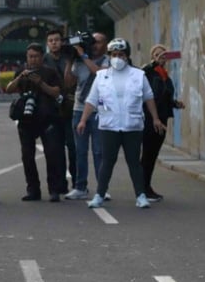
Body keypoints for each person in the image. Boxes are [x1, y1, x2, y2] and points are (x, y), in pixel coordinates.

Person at [77, 38, 165, 209]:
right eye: (114, 55)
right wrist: (83, 120)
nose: (117, 58)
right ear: (109, 56)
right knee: (107, 162)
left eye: (121, 54)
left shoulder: (138, 75)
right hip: (109, 125)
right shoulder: (102, 76)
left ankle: (140, 195)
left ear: (127, 56)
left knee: (134, 162)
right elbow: (91, 100)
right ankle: (99, 195)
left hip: (132, 125)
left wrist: (155, 118)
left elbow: (148, 98)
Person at [4, 42, 65, 202]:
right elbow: (9, 89)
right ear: (27, 57)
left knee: (52, 155)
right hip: (26, 119)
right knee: (27, 156)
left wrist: (41, 83)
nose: (33, 60)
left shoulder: (50, 72)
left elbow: (56, 92)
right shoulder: (21, 72)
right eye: (31, 56)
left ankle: (54, 190)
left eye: (36, 56)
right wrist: (20, 77)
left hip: (47, 118)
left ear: (41, 57)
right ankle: (33, 190)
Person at [64, 32, 110, 200]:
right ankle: (80, 187)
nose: (94, 46)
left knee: (99, 152)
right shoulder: (79, 61)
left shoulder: (107, 61)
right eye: (93, 43)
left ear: (105, 44)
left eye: (98, 42)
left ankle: (102, 188)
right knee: (80, 151)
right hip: (79, 110)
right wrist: (69, 60)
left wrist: (83, 55)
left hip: (99, 111)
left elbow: (99, 73)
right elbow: (68, 82)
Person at [141, 44, 185, 201]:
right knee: (147, 154)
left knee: (153, 154)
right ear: (152, 57)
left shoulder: (165, 76)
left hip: (162, 118)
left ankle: (146, 186)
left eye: (164, 55)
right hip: (150, 119)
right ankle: (143, 188)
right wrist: (154, 63)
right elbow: (147, 92)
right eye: (157, 54)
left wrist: (174, 103)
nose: (161, 57)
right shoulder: (148, 73)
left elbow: (163, 97)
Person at [43, 30, 76, 192]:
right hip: (52, 110)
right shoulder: (44, 61)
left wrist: (70, 62)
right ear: (47, 43)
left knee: (73, 147)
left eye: (57, 40)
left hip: (69, 109)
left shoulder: (69, 59)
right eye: (51, 40)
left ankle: (78, 182)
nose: (54, 43)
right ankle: (60, 184)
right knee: (56, 150)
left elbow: (70, 82)